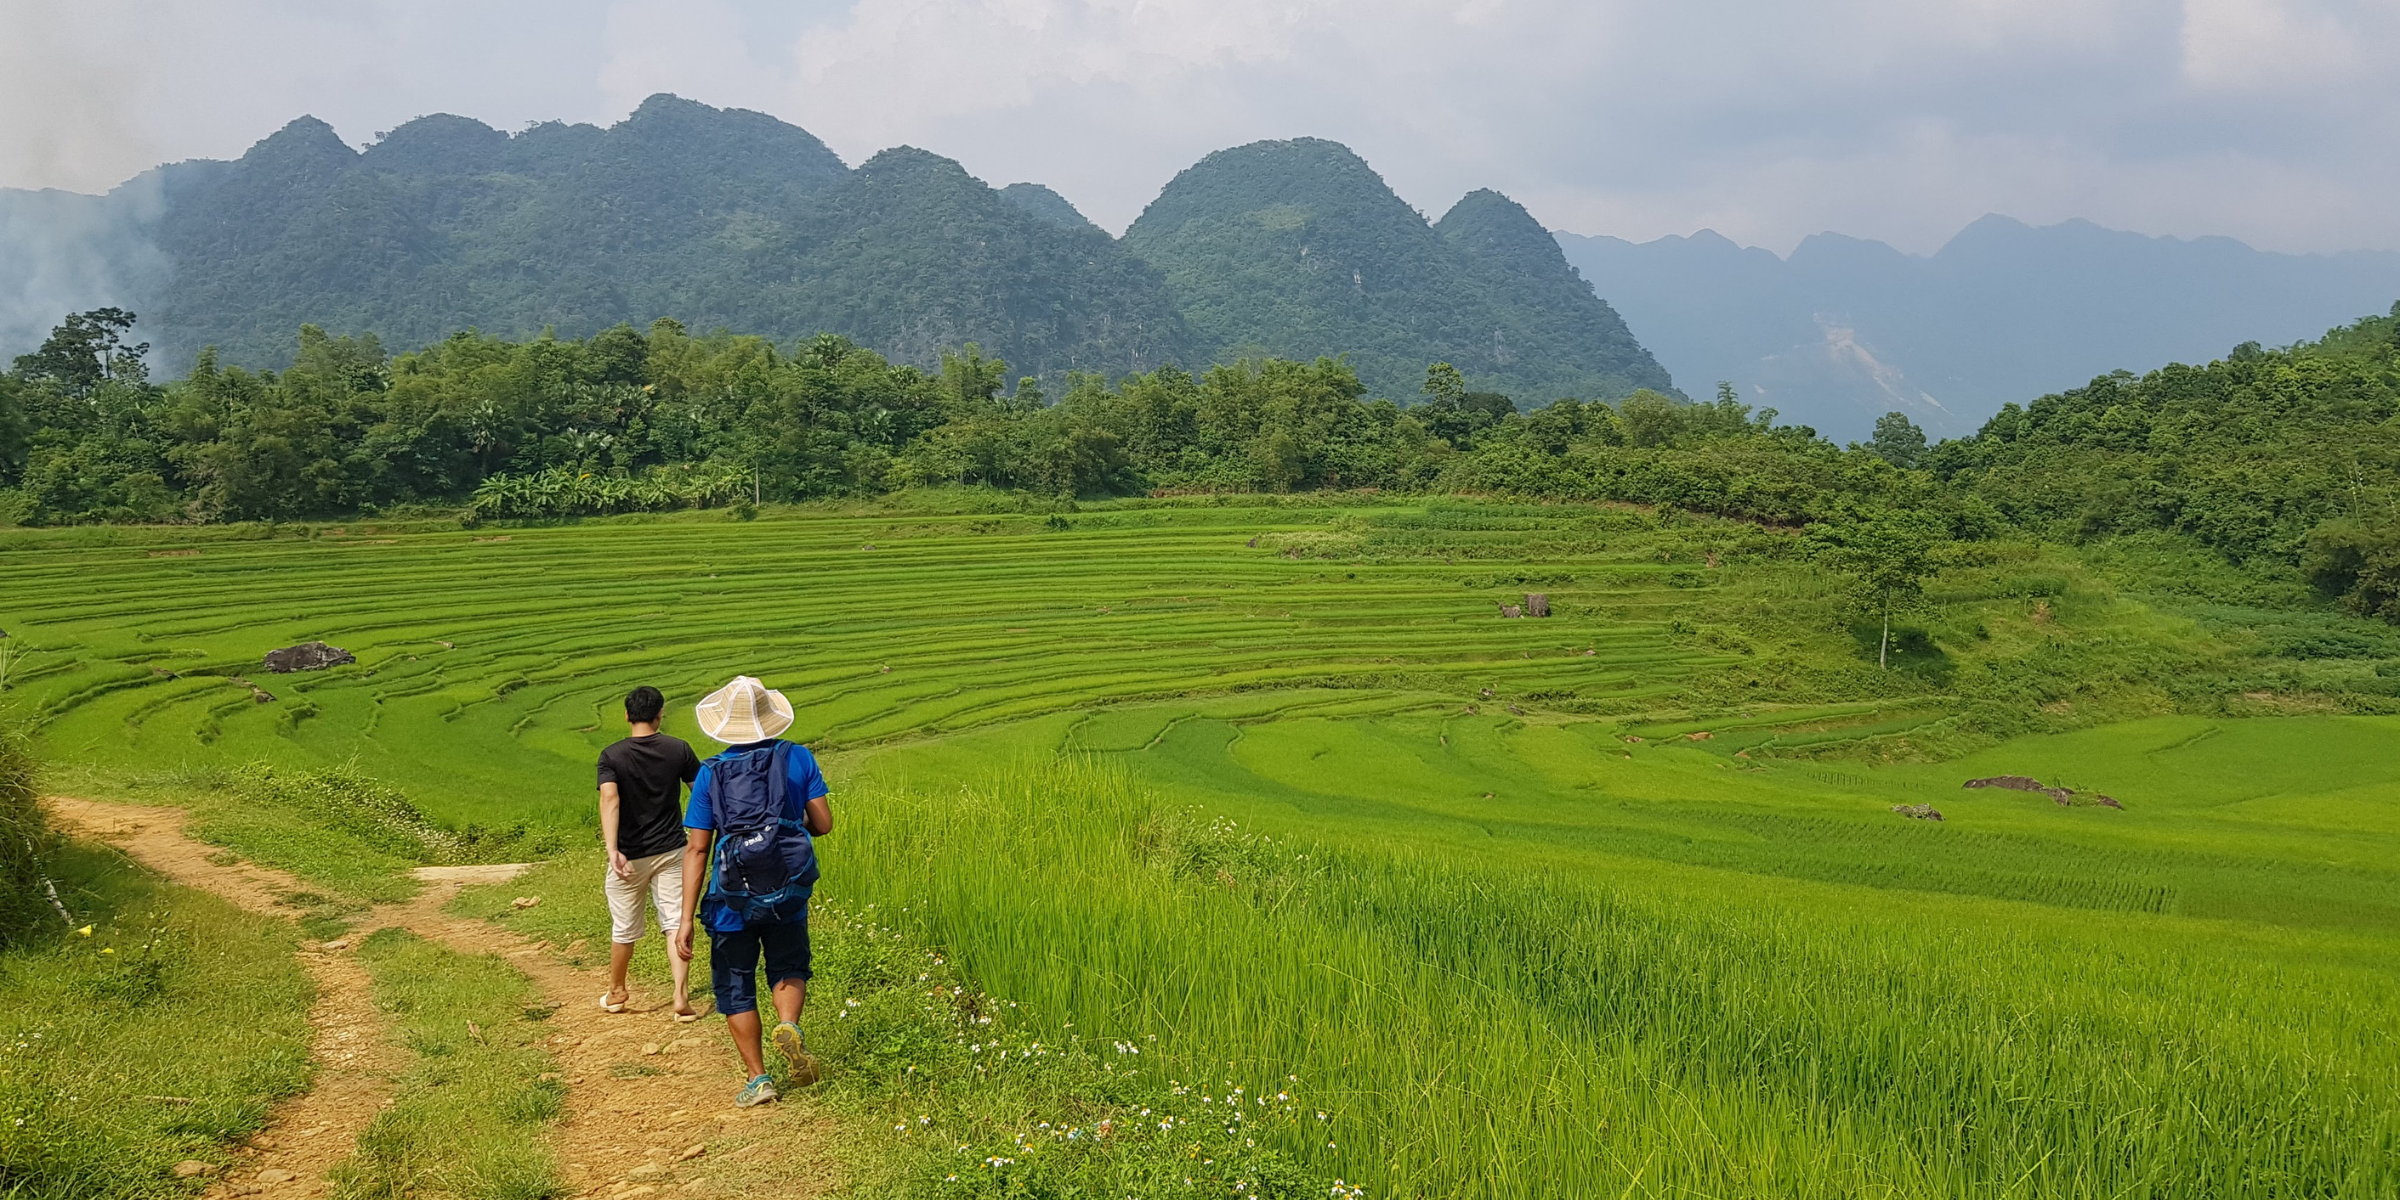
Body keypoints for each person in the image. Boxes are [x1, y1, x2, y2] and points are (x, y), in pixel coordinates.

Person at [674, 675, 832, 1109]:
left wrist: (685, 918)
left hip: (731, 898)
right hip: (786, 888)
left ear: (723, 725)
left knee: (735, 984)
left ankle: (758, 1079)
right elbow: (823, 824)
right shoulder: (797, 758)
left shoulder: (710, 773)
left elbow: (698, 846)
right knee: (788, 966)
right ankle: (789, 1026)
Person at [596, 685, 703, 1020]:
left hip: (629, 854)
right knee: (675, 922)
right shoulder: (678, 749)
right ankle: (680, 996)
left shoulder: (611, 756)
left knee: (624, 927)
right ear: (660, 715)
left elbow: (610, 799)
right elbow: (699, 792)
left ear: (627, 715)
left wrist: (612, 848)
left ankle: (617, 991)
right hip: (672, 849)